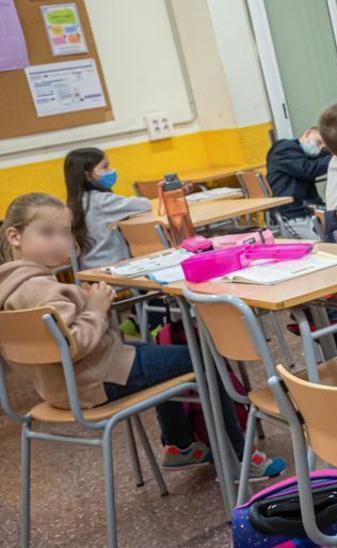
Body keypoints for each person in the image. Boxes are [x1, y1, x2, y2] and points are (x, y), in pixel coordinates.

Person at [0, 192, 284, 477]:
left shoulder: (13, 287)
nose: (59, 242)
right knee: (204, 358)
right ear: (14, 236)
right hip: (97, 379)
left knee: (161, 354)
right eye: (47, 233)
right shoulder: (39, 287)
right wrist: (96, 310)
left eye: (64, 233)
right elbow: (72, 344)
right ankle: (240, 459)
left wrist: (86, 305)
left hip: (60, 388)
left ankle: (180, 445)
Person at [63, 148, 151, 269]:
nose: (110, 171)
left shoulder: (74, 202)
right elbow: (144, 204)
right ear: (87, 175)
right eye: (105, 167)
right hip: (112, 266)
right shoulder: (101, 201)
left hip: (88, 267)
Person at [265, 127, 331, 240]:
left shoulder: (304, 155)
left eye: (323, 147)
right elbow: (307, 169)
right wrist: (336, 158)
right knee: (332, 242)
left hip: (307, 211)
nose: (319, 149)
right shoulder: (284, 149)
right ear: (308, 133)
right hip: (292, 215)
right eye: (319, 142)